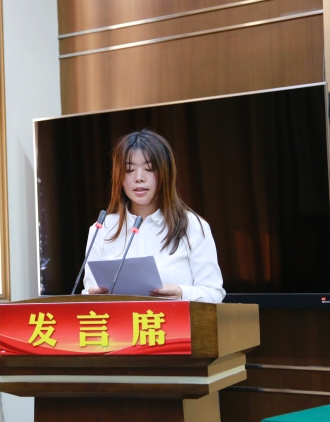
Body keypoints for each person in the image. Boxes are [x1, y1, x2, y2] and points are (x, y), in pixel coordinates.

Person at [83, 130, 225, 303]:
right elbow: (89, 293)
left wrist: (181, 292)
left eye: (149, 169)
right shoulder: (102, 229)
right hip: (120, 321)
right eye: (129, 170)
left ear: (166, 173)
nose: (139, 178)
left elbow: (214, 294)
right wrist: (94, 295)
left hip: (171, 320)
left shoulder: (191, 226)